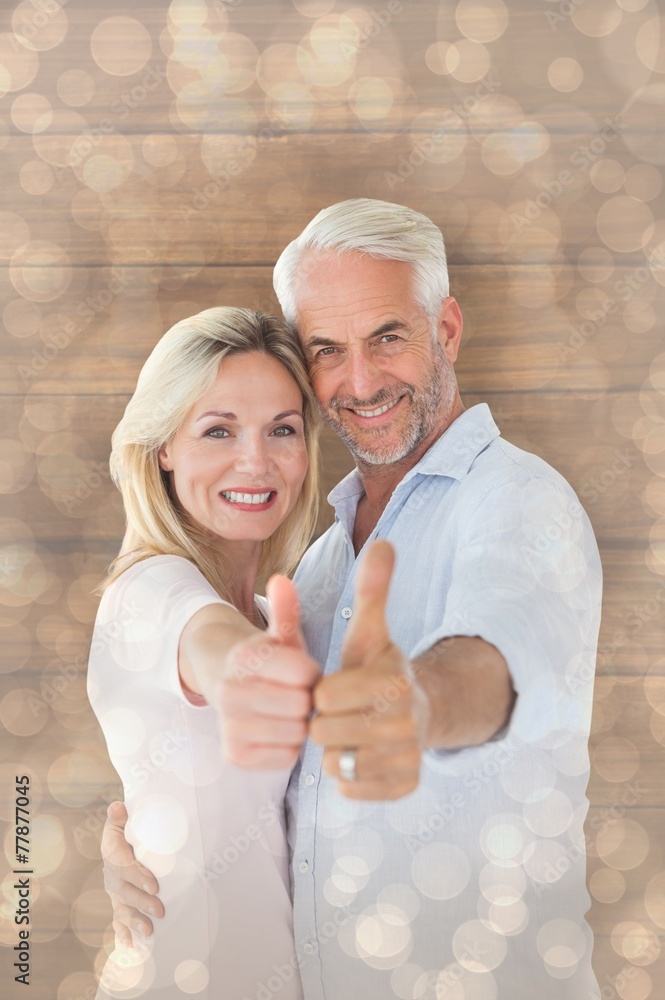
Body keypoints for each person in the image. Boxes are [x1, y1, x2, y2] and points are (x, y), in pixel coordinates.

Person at [100, 201, 603, 1000]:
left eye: (388, 337)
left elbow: (491, 658)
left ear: (446, 330)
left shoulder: (516, 503)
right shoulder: (319, 570)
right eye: (327, 350)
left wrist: (417, 704)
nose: (361, 381)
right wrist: (145, 833)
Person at [87, 307, 324, 999]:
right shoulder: (152, 590)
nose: (256, 460)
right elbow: (220, 656)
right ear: (163, 446)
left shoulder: (264, 609)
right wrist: (260, 677)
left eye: (281, 429)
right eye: (218, 430)